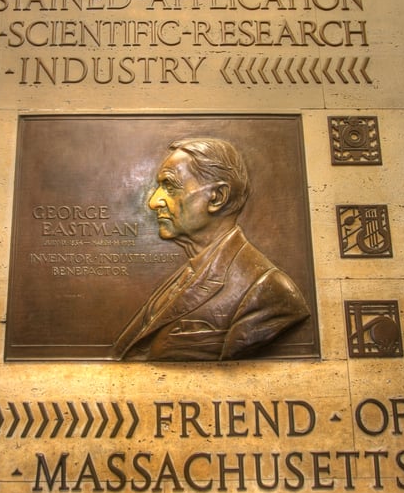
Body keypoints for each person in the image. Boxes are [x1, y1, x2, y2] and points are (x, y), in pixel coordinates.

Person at [113, 137, 310, 361]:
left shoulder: (267, 292)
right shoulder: (187, 273)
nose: (154, 201)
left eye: (169, 186)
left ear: (217, 197)